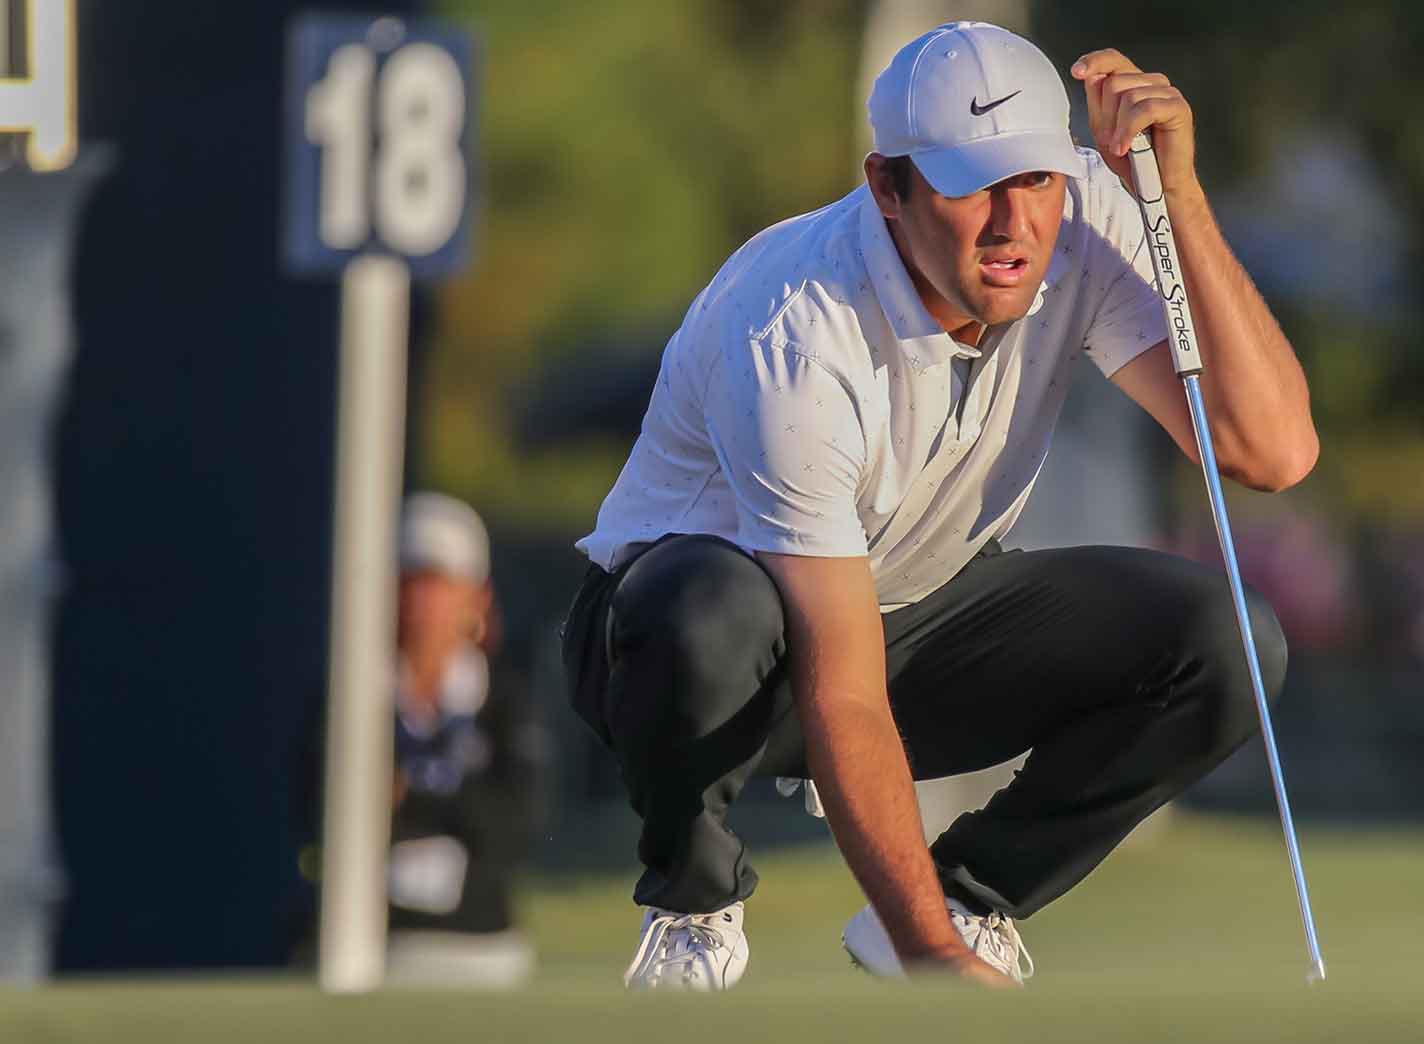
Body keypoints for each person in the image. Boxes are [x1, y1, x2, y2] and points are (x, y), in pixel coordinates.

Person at [559, 21, 1317, 991]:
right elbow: (839, 690)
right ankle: (692, 907)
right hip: (679, 656)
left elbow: (1270, 449)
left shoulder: (1088, 217)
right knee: (708, 603)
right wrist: (934, 968)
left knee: (1225, 641)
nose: (1012, 223)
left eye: (1034, 178)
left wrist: (1177, 203)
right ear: (888, 186)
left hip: (909, 614)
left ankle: (976, 895)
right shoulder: (796, 325)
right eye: (969, 184)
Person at [382, 492, 543, 986]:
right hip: (376, 947)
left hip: (485, 948)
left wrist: (416, 794)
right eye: (410, 582)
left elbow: (518, 821)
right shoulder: (351, 695)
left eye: (441, 584)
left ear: (477, 598)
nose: (422, 603)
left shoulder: (505, 702)